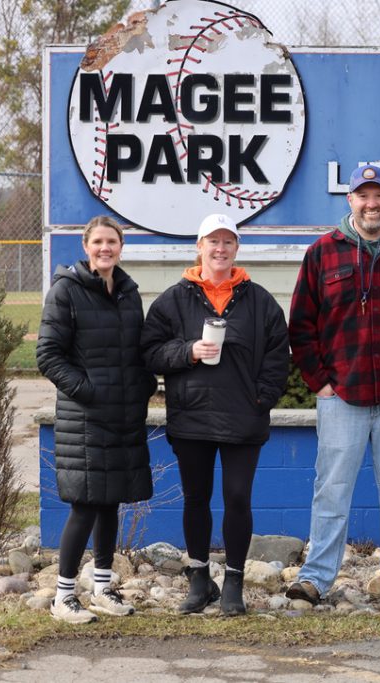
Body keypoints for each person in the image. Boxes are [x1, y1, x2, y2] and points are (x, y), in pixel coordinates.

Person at [283, 164, 380, 615]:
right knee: (331, 488)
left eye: (379, 196)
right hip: (342, 396)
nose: (371, 204)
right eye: (362, 196)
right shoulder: (323, 253)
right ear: (349, 200)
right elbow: (302, 326)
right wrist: (321, 382)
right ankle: (314, 579)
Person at [141, 213, 289, 617]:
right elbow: (150, 351)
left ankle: (234, 583)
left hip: (244, 418)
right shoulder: (174, 298)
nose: (219, 249)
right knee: (196, 499)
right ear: (199, 247)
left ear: (236, 248)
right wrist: (186, 351)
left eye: (227, 242)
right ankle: (199, 579)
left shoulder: (259, 301)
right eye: (212, 241)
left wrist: (261, 400)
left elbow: (278, 356)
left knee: (238, 498)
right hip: (192, 418)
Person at [36, 216, 156, 624]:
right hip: (85, 417)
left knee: (110, 502)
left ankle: (103, 588)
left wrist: (141, 386)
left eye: (113, 241)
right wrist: (90, 392)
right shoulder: (65, 291)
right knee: (85, 504)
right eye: (99, 242)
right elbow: (48, 356)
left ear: (121, 246)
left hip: (122, 417)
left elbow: (134, 352)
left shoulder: (127, 292)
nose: (106, 248)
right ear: (86, 246)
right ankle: (63, 596)